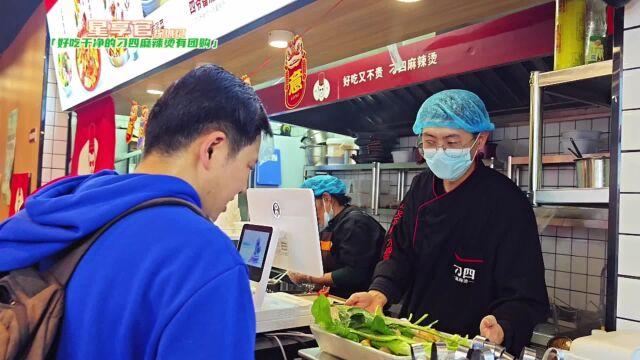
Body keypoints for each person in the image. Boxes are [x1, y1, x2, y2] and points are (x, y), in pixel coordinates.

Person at [0, 65, 270, 360]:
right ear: (212, 149)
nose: (244, 187)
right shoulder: (205, 259)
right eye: (248, 166)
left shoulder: (61, 207)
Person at [346, 89, 549, 354]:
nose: (440, 151)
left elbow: (525, 289)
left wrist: (504, 325)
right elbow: (397, 249)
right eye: (430, 142)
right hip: (416, 341)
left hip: (474, 347)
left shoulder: (506, 202)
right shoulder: (421, 187)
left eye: (452, 142)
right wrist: (379, 291)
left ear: (480, 140)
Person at [288, 175, 386, 299]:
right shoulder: (332, 224)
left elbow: (354, 274)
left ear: (327, 198)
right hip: (338, 298)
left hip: (359, 302)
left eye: (310, 205)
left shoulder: (355, 223)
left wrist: (308, 277)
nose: (308, 212)